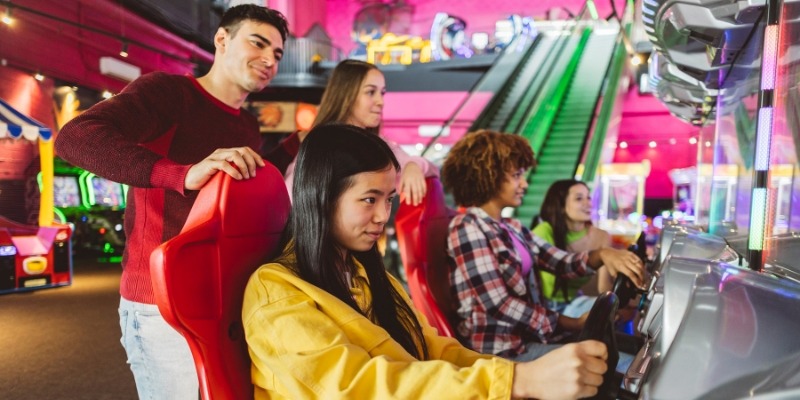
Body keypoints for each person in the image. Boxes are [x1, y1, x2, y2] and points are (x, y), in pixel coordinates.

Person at [242, 123, 611, 400]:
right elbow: (358, 388)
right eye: (370, 199)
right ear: (321, 197)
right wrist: (518, 381)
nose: (383, 215)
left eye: (389, 199)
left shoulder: (365, 275)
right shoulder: (277, 291)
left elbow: (431, 347)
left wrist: (517, 376)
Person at [54, 5, 292, 398]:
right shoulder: (169, 93)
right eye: (258, 43)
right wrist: (182, 173)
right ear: (222, 39)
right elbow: (76, 137)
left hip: (222, 295)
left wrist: (303, 141)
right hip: (161, 302)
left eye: (278, 53)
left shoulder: (245, 124)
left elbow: (248, 183)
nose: (269, 59)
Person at [441, 130, 644, 362]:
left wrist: (605, 255)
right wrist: (572, 323)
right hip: (500, 351)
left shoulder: (511, 227)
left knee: (630, 351)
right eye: (516, 175)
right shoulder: (467, 226)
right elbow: (499, 304)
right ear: (488, 176)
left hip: (529, 339)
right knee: (614, 362)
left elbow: (561, 262)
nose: (524, 183)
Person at [284, 59, 436, 206]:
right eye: (370, 92)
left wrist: (413, 166)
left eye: (382, 93)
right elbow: (289, 198)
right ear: (346, 95)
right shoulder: (320, 147)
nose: (380, 101)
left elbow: (433, 169)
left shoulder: (379, 146)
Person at [533, 179, 614, 318]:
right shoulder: (543, 232)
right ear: (562, 206)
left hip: (575, 301)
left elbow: (604, 288)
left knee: (617, 311)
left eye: (588, 197)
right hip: (546, 307)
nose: (588, 203)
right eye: (579, 198)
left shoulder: (600, 236)